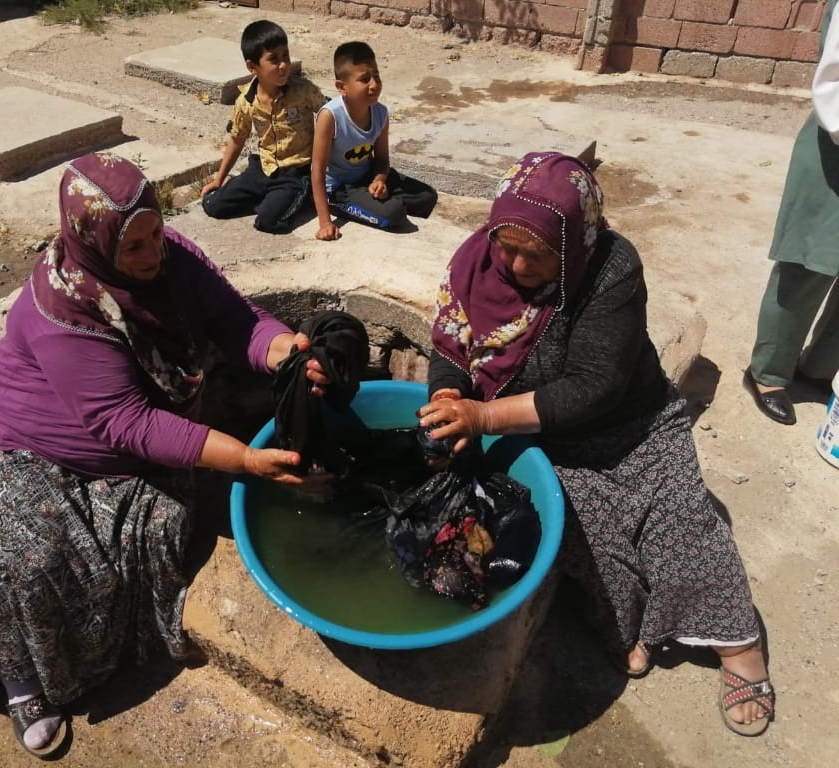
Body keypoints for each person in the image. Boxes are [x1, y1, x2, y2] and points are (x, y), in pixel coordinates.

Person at [0, 152, 331, 768]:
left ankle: (27, 672)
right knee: (32, 551)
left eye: (156, 232)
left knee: (150, 533)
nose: (153, 253)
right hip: (28, 442)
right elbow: (124, 421)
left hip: (120, 452)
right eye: (133, 246)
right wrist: (241, 458)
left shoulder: (173, 261)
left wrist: (284, 352)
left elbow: (237, 321)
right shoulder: (63, 306)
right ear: (93, 241)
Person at [418, 152, 775, 737]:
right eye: (505, 246)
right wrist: (447, 399)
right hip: (541, 438)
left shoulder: (612, 269)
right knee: (581, 537)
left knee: (683, 525)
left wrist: (482, 416)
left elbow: (594, 387)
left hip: (631, 424)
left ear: (572, 244)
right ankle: (629, 628)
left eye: (535, 253)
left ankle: (738, 646)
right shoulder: (478, 262)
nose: (513, 263)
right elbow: (453, 349)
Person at [745, 0, 839, 425]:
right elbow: (833, 84)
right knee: (808, 264)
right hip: (834, 152)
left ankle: (819, 368)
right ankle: (769, 373)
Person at [199, 19, 326, 234]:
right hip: (263, 168)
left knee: (267, 222)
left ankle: (301, 196)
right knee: (213, 206)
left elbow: (328, 116)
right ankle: (269, 198)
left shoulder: (304, 91)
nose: (283, 64)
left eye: (285, 55)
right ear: (252, 66)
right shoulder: (246, 101)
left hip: (295, 173)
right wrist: (219, 179)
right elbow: (237, 139)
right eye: (273, 59)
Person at [311, 41, 437, 241]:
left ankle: (377, 199)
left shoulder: (381, 113)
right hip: (339, 189)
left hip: (366, 177)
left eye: (376, 76)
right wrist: (325, 222)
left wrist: (379, 180)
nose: (374, 85)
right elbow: (317, 172)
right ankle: (373, 204)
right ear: (341, 87)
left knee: (427, 196)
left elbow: (382, 160)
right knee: (394, 214)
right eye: (364, 80)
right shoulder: (330, 116)